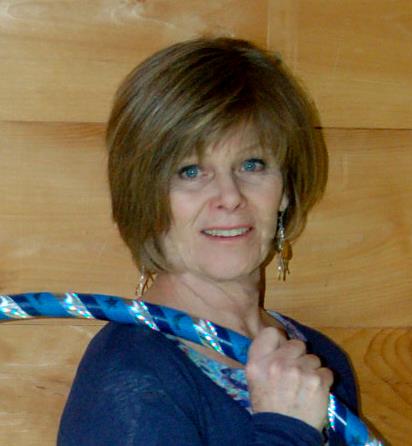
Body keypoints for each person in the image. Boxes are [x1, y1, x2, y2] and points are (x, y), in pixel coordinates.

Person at [58, 37, 358, 445]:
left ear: (285, 191)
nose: (230, 196)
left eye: (252, 164)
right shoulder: (127, 373)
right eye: (191, 171)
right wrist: (287, 430)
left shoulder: (321, 361)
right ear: (146, 196)